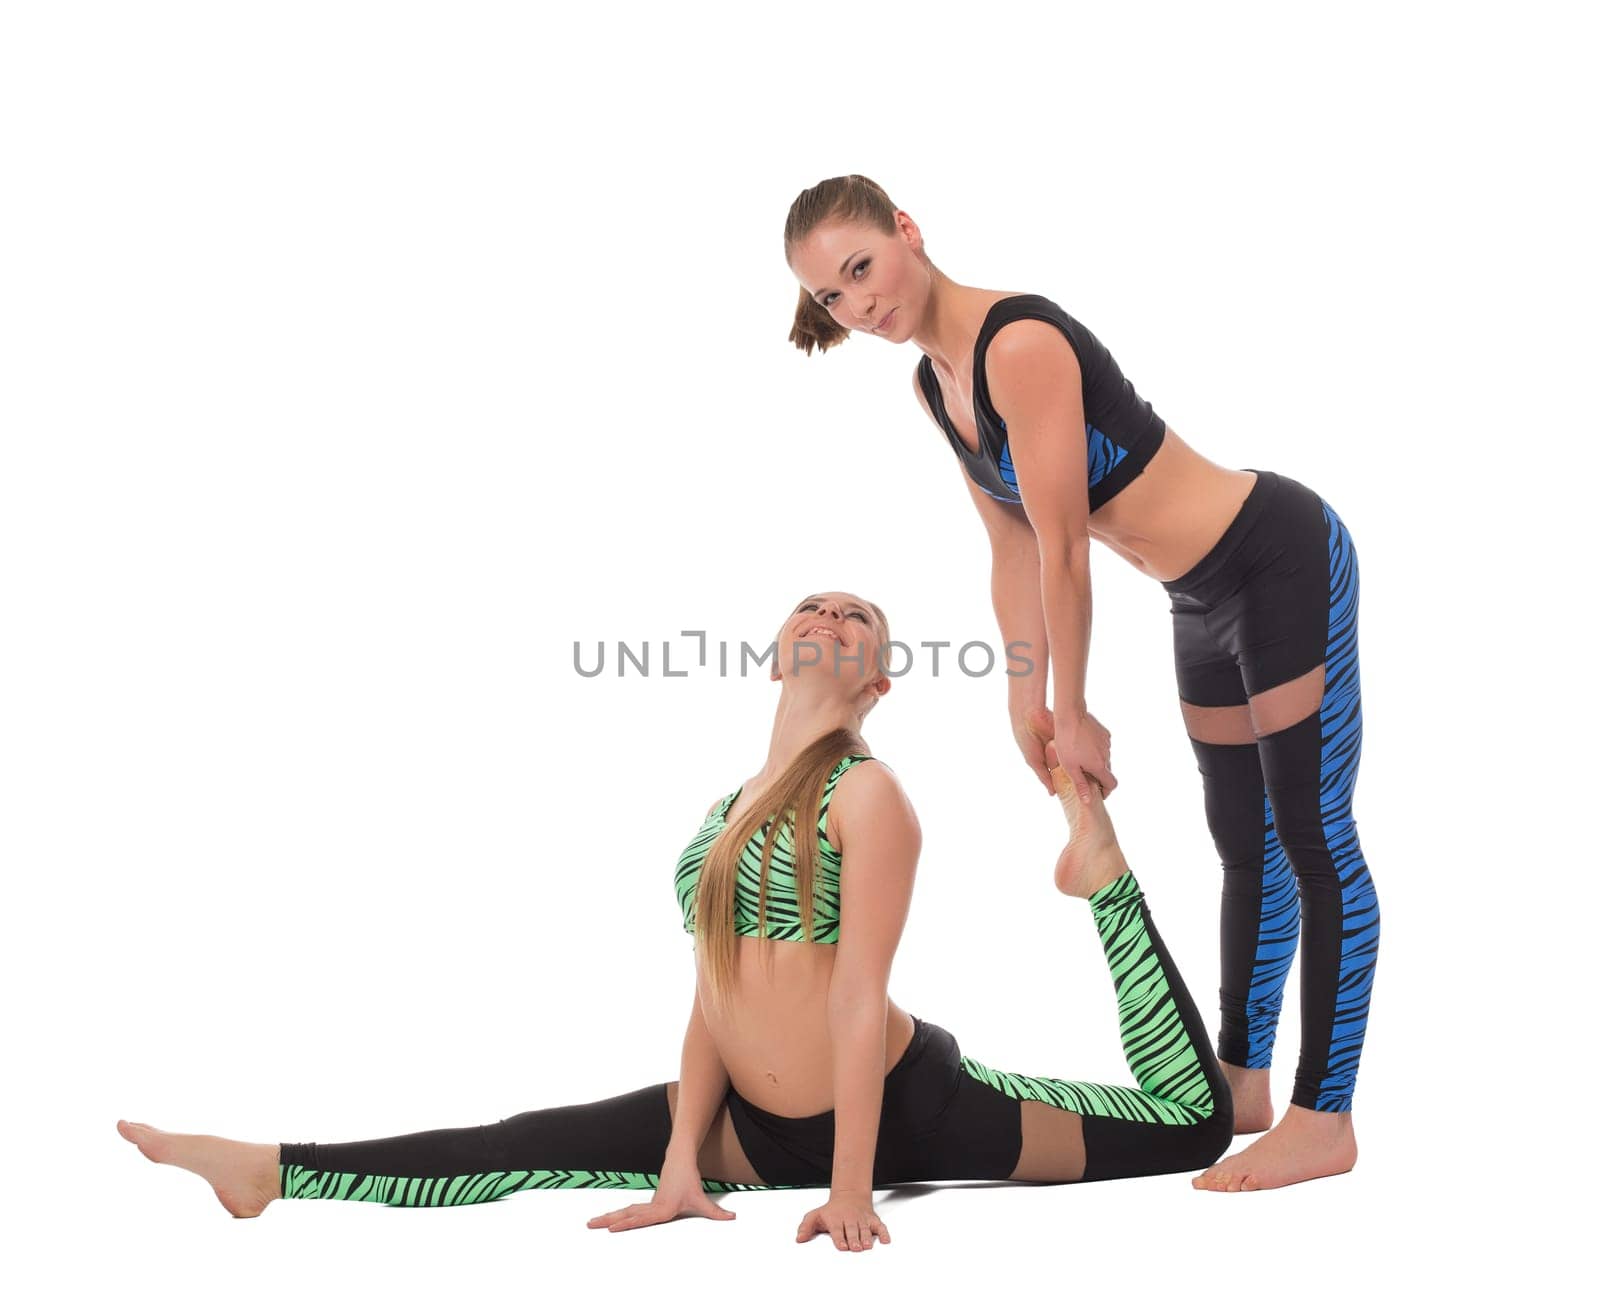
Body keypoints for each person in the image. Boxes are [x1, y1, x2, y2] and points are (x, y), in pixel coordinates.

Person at [117, 590, 1232, 1250]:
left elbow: (854, 997)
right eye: (815, 606)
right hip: (750, 1120)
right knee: (526, 1147)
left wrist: (854, 1190)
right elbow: (714, 996)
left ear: (879, 682)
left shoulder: (869, 793)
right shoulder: (721, 815)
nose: (832, 616)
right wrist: (679, 1167)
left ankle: (1103, 873)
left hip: (902, 1110)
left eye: (858, 619)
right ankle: (273, 1168)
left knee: (1192, 1125)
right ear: (779, 650)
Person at [783, 176, 1380, 1192]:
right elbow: (1009, 545)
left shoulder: (1016, 344)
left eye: (860, 269)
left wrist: (1074, 706)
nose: (858, 302)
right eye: (833, 297)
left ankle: (1325, 1116)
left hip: (1276, 557)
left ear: (908, 232)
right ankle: (1242, 1079)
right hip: (1198, 599)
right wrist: (1024, 697)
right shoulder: (935, 382)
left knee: (1311, 834)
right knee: (1244, 846)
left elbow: (1067, 548)